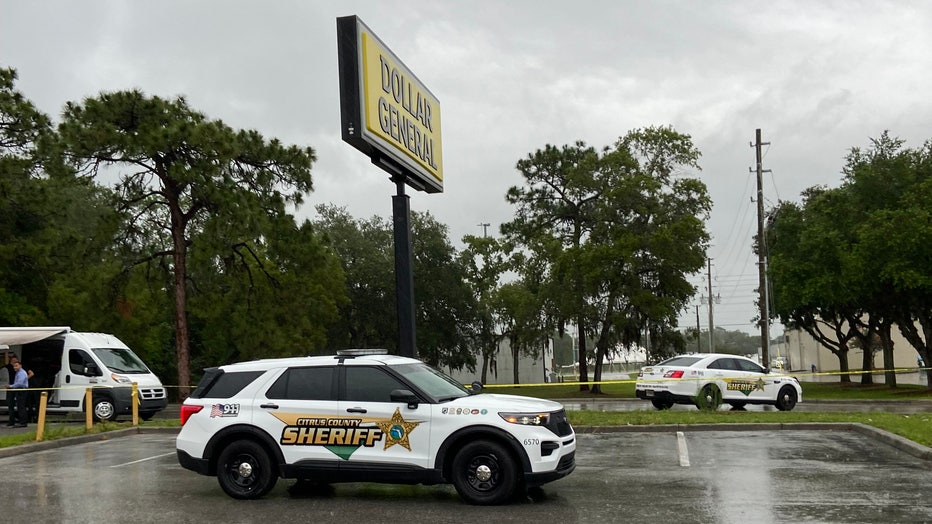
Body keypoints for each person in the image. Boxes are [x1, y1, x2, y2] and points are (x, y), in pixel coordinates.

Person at [6, 359, 29, 428]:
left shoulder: (21, 373)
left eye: (16, 366)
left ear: (20, 366)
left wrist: (11, 386)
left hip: (21, 391)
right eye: (14, 366)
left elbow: (20, 383)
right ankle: (22, 422)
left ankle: (23, 422)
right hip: (19, 390)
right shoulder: (18, 372)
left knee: (21, 407)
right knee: (20, 406)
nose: (15, 367)